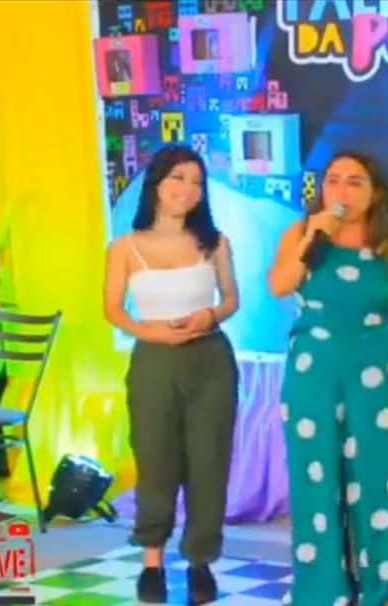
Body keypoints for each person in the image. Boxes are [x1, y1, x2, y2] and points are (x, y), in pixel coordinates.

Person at [268, 151, 388, 606]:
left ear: (375, 192)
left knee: (381, 475)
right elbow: (279, 285)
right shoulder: (302, 232)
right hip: (313, 369)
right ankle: (322, 590)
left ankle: (386, 589)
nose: (342, 190)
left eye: (355, 182)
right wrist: (312, 239)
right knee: (315, 477)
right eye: (334, 180)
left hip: (378, 366)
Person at [103, 144, 241, 605]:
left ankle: (201, 561)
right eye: (178, 178)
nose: (188, 189)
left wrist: (209, 316)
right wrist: (152, 332)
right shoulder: (125, 247)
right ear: (157, 184)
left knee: (209, 461)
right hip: (154, 363)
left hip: (211, 361)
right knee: (156, 461)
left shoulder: (215, 242)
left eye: (197, 182)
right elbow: (113, 309)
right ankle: (152, 563)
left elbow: (231, 299)